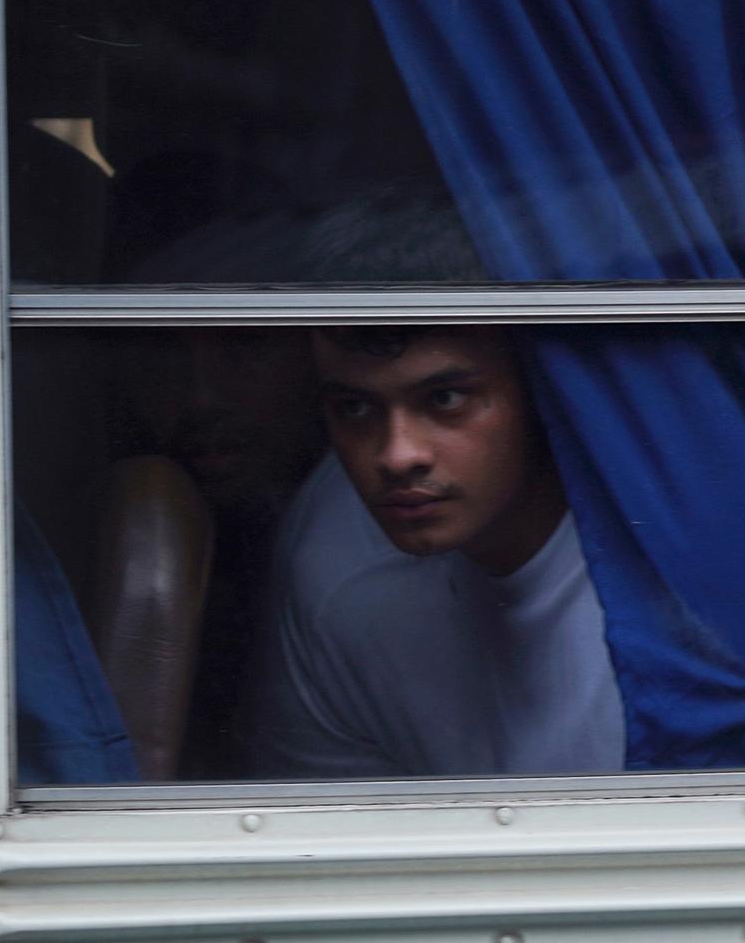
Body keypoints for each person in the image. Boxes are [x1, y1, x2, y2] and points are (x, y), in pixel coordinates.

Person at [255, 321, 624, 779]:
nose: (396, 455)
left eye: (446, 399)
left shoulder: (660, 588)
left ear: (540, 389)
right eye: (353, 407)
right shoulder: (337, 569)